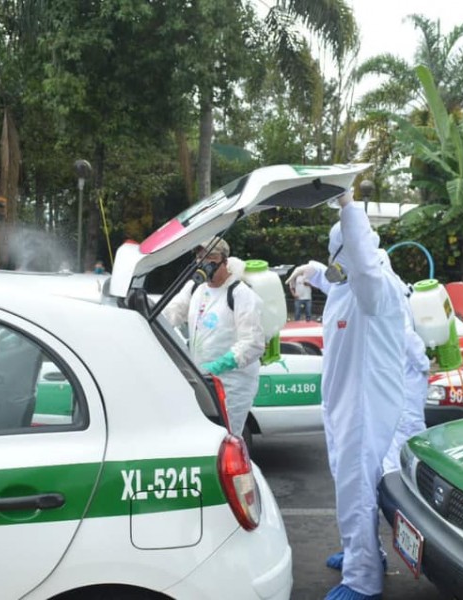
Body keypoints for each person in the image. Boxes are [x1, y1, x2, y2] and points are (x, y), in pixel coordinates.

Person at [286, 190, 412, 600]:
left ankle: (363, 579)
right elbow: (338, 275)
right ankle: (362, 550)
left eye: (338, 258)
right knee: (347, 483)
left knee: (357, 488)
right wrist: (309, 271)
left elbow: (361, 267)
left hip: (364, 406)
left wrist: (348, 205)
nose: (334, 268)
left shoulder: (379, 289)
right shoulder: (346, 287)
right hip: (341, 404)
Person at [163, 237, 265, 436]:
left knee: (227, 438)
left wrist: (219, 366)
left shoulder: (240, 294)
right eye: (200, 256)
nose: (204, 262)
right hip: (201, 381)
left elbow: (253, 342)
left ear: (224, 261)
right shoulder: (195, 289)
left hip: (232, 384)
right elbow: (171, 315)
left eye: (211, 257)